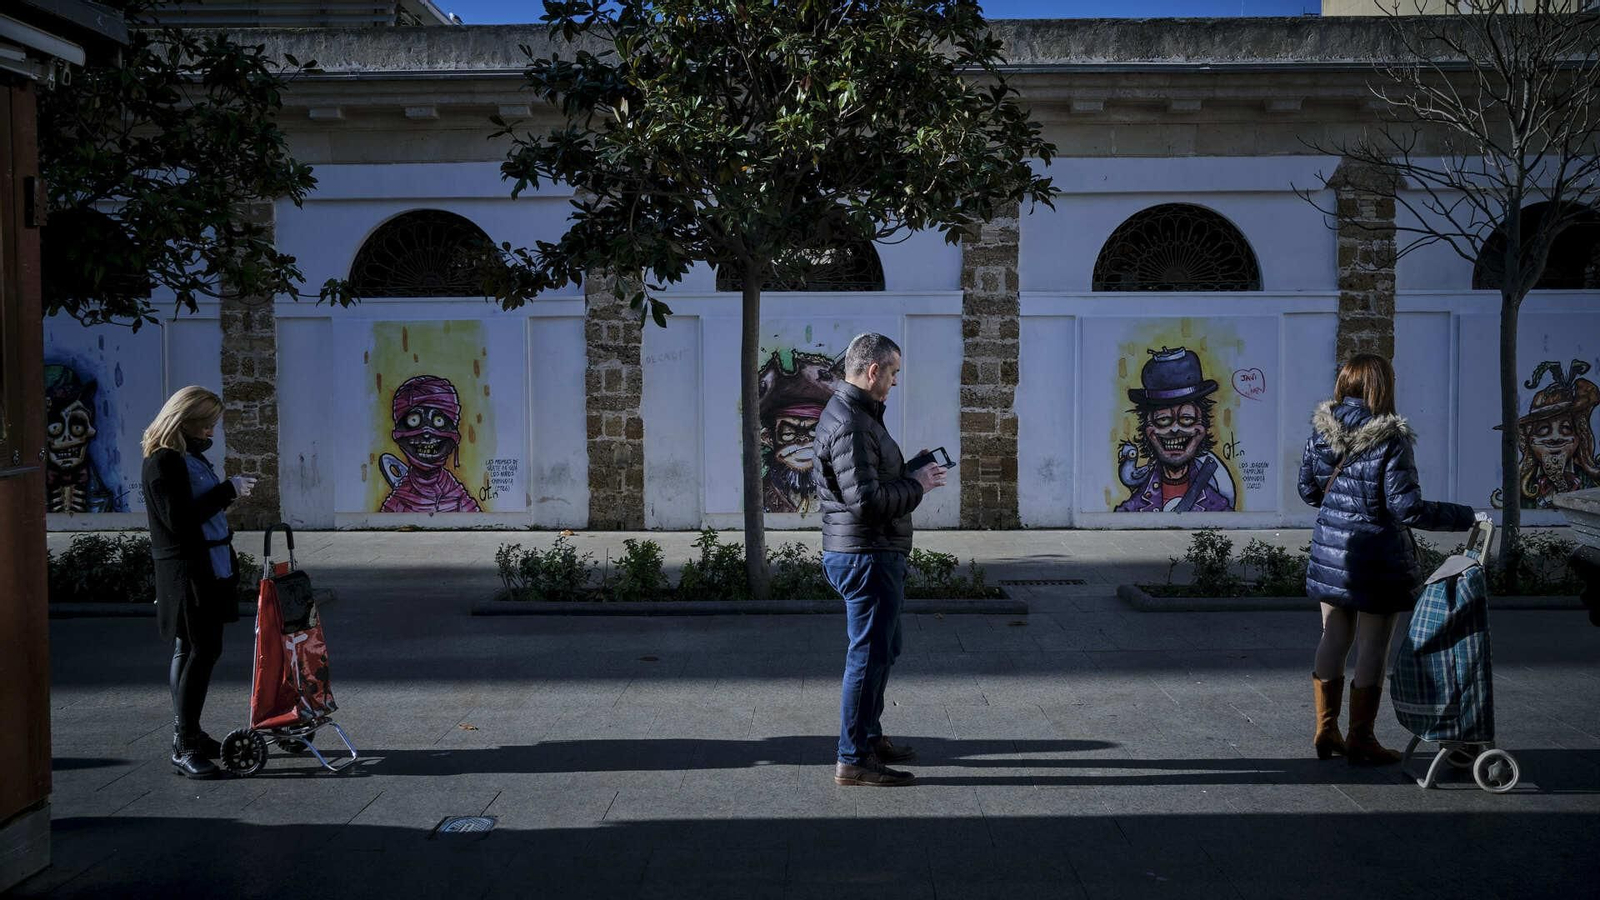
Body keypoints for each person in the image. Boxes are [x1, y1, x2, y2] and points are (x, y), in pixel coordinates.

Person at [1298, 354, 1475, 766]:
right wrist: (1462, 516)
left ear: (1345, 384)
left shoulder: (1320, 433)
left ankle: (1326, 730)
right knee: (1372, 648)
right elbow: (1407, 509)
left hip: (1331, 552)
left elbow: (1309, 492)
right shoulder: (1390, 438)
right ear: (1382, 386)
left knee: (1333, 637)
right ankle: (1361, 739)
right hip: (1376, 558)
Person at [812, 333, 946, 787]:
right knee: (868, 656)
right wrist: (919, 485)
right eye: (892, 374)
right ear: (873, 372)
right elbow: (866, 502)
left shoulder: (859, 415)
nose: (893, 383)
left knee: (884, 649)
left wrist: (909, 471)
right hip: (866, 554)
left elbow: (869, 481)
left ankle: (868, 737)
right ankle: (852, 759)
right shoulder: (851, 422)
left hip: (871, 551)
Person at [141, 387, 257, 778]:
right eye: (205, 424)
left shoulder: (185, 457)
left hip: (205, 567)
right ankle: (185, 742)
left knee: (193, 649)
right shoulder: (163, 462)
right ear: (183, 421)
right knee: (199, 652)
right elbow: (180, 521)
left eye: (212, 425)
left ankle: (189, 732)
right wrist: (227, 492)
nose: (210, 432)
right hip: (188, 572)